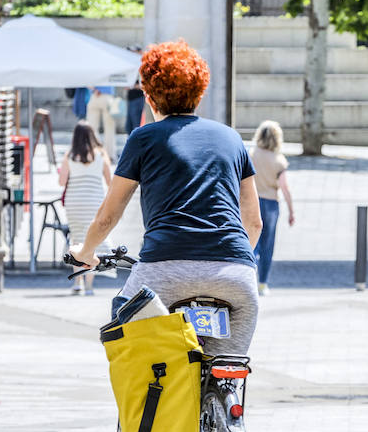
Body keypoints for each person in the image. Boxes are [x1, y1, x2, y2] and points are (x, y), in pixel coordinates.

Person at [71, 40, 264, 358]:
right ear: (199, 93)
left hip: (166, 270)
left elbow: (108, 215)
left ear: (148, 95)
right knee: (227, 368)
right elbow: (254, 222)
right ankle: (226, 397)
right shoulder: (232, 139)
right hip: (235, 274)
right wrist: (229, 260)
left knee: (127, 330)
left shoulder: (143, 138)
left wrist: (85, 251)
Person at [59, 121, 113, 295]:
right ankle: (89, 284)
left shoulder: (69, 155)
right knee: (92, 241)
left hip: (74, 202)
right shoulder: (101, 154)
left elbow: (61, 181)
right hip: (94, 201)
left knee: (77, 240)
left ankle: (77, 282)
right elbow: (110, 181)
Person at [249, 120, 295, 296]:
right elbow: (285, 187)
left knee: (253, 243)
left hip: (252, 201)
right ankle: (263, 284)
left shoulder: (251, 155)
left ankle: (250, 279)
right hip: (271, 203)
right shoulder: (279, 160)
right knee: (268, 244)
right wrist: (291, 210)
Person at [86, 85, 120, 154]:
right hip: (109, 96)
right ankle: (110, 155)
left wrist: (94, 89)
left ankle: (94, 152)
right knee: (110, 129)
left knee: (92, 129)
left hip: (94, 95)